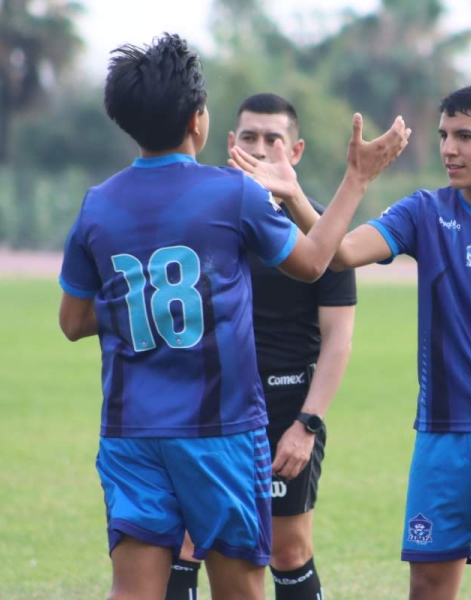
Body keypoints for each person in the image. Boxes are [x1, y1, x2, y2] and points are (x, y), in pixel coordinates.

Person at [57, 34, 408, 600]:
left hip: (131, 431)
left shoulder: (98, 203)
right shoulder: (230, 195)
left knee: (133, 592)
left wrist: (141, 296)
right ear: (199, 121)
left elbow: (72, 321)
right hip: (220, 431)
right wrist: (357, 180)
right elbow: (317, 260)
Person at [230, 82, 471, 600]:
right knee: (428, 586)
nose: (449, 148)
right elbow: (337, 253)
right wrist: (299, 195)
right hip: (441, 435)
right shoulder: (424, 213)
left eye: (465, 136)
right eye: (444, 135)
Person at [165, 93, 357, 600]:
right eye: (249, 137)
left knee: (287, 549)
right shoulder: (203, 220)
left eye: (274, 139)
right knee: (185, 540)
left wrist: (307, 424)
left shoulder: (321, 228)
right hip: (209, 405)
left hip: (286, 409)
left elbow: (339, 338)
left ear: (295, 151)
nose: (261, 147)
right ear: (230, 145)